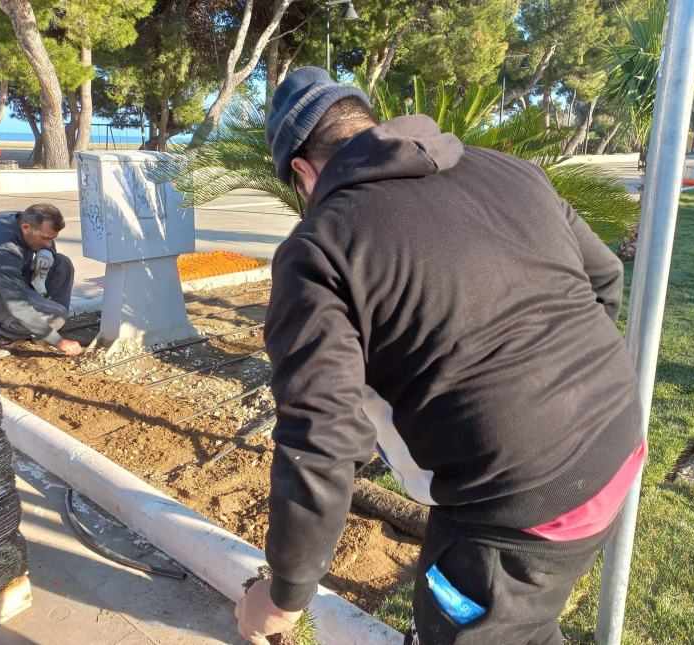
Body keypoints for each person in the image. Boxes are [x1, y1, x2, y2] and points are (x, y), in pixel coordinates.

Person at [235, 67, 644, 645]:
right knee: (522, 622)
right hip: (620, 437)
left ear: (302, 171)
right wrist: (566, 388)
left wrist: (283, 596)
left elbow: (322, 436)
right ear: (368, 125)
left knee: (478, 629)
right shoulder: (511, 170)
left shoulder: (321, 247)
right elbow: (604, 276)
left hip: (517, 506)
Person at [0, 204, 82, 358]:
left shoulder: (22, 219)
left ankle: (41, 330)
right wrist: (58, 342)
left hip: (8, 282)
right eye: (45, 238)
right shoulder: (2, 249)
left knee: (61, 263)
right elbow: (18, 306)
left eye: (52, 239)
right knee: (54, 315)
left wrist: (47, 252)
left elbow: (47, 238)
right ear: (26, 228)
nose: (48, 242)